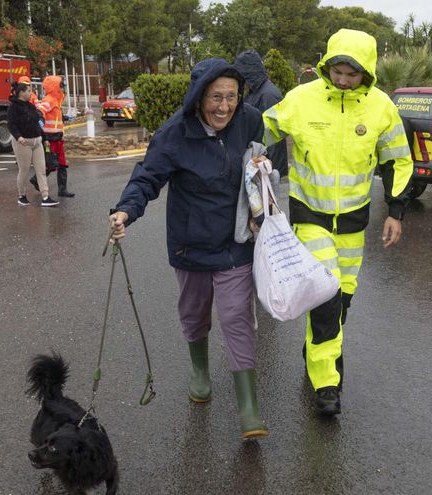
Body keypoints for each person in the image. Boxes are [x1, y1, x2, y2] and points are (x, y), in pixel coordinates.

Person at [108, 58, 269, 439]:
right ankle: (199, 371)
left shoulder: (249, 120)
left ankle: (248, 407)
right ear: (199, 97)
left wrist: (262, 175)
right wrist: (124, 211)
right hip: (190, 245)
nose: (224, 107)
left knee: (237, 318)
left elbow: (264, 156)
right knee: (195, 313)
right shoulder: (174, 133)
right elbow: (147, 177)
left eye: (231, 96)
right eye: (215, 97)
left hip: (235, 244)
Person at [262, 29, 413, 416]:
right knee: (326, 294)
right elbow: (263, 130)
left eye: (353, 74)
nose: (343, 80)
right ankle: (327, 382)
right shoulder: (301, 99)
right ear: (327, 66)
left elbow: (397, 160)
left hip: (352, 221)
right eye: (338, 71)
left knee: (341, 298)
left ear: (368, 72)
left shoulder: (381, 108)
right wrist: (247, 152)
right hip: (309, 216)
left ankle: (317, 349)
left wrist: (396, 211)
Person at [234, 50, 289, 177]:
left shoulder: (268, 95)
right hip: (259, 161)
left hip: (266, 166)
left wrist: (268, 168)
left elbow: (272, 137)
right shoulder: (256, 91)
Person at [8, 81, 58, 207]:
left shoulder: (30, 106)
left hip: (37, 141)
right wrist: (18, 137)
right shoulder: (13, 107)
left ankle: (45, 197)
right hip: (24, 143)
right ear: (21, 93)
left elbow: (37, 123)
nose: (31, 93)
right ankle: (22, 195)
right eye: (29, 91)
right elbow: (11, 124)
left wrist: (44, 137)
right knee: (24, 170)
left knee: (41, 169)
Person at [35, 76, 75, 197]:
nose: (63, 89)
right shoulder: (49, 100)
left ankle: (62, 190)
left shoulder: (56, 100)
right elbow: (40, 112)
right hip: (49, 139)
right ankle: (36, 180)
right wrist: (40, 122)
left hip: (58, 138)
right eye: (61, 86)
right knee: (51, 164)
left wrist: (64, 117)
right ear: (55, 87)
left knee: (62, 164)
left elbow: (55, 117)